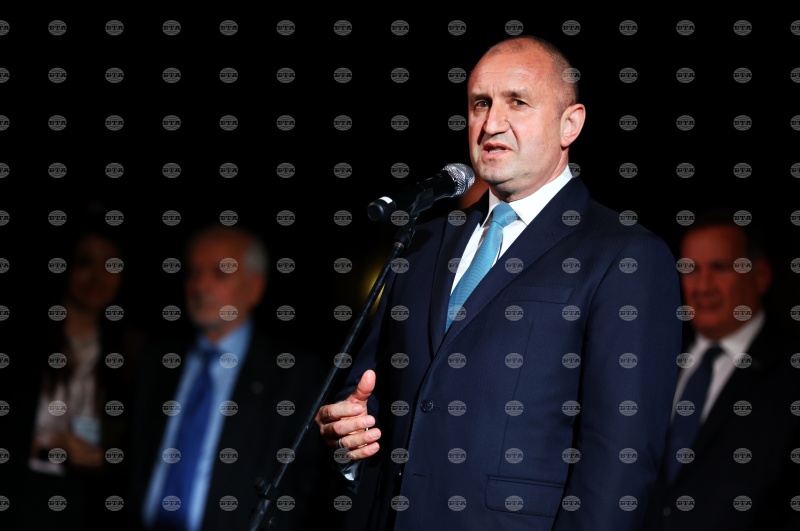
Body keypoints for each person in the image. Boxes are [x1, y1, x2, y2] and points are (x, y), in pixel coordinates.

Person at [315, 35, 683, 530]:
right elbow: (369, 392)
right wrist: (348, 436)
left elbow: (619, 461)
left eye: (518, 102)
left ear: (570, 124)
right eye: (480, 104)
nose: (490, 124)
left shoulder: (624, 254)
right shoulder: (422, 243)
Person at [126, 224, 339, 531]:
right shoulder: (156, 360)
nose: (200, 286)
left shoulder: (294, 374)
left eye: (220, 273)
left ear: (255, 287)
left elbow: (308, 486)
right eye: (194, 273)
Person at [640, 208, 800, 530]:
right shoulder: (652, 364)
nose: (703, 286)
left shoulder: (791, 374)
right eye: (691, 269)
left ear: (761, 275)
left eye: (720, 267)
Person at [11, 215, 145, 530]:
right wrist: (51, 447)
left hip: (86, 504)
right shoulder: (23, 340)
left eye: (111, 265)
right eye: (85, 262)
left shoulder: (133, 354)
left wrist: (104, 458)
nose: (97, 277)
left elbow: (134, 450)